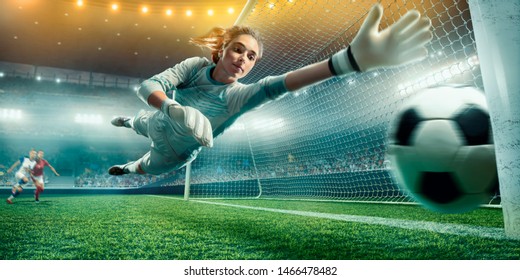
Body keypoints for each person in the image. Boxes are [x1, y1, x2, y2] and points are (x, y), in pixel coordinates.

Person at [109, 4, 432, 176]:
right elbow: (149, 86)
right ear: (221, 50)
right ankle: (126, 121)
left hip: (175, 152)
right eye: (238, 49)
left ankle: (125, 168)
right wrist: (171, 107)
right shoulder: (194, 67)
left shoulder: (238, 97)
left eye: (252, 57)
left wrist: (348, 61)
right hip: (160, 119)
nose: (243, 60)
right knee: (140, 121)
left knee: (146, 168)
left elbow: (280, 84)